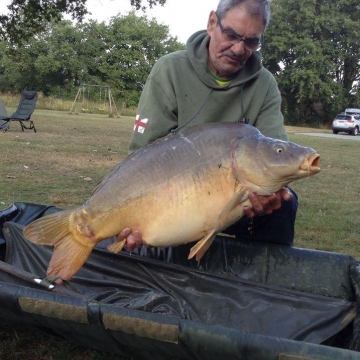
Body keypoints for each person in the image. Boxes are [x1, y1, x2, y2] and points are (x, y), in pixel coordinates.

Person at [117, 0, 297, 253]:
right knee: (141, 228)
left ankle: (258, 285)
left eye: (251, 42)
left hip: (239, 202)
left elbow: (278, 156)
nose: (238, 49)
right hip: (181, 199)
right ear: (212, 23)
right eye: (231, 35)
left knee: (284, 204)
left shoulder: (265, 85)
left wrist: (274, 194)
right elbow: (143, 154)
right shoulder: (170, 70)